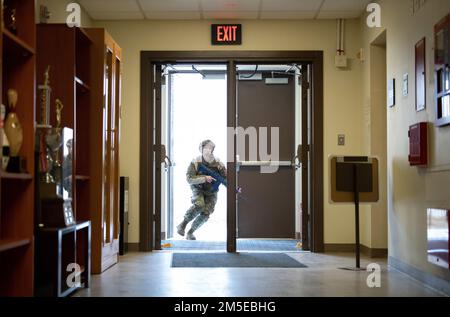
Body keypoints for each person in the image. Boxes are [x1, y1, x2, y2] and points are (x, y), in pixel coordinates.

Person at [176, 139, 227, 240]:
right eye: (205, 148)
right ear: (201, 149)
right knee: (199, 205)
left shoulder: (218, 163)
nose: (208, 150)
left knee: (206, 212)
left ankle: (191, 232)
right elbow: (189, 179)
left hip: (212, 191)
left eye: (210, 148)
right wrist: (204, 178)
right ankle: (182, 224)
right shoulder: (195, 162)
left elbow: (225, 178)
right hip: (198, 188)